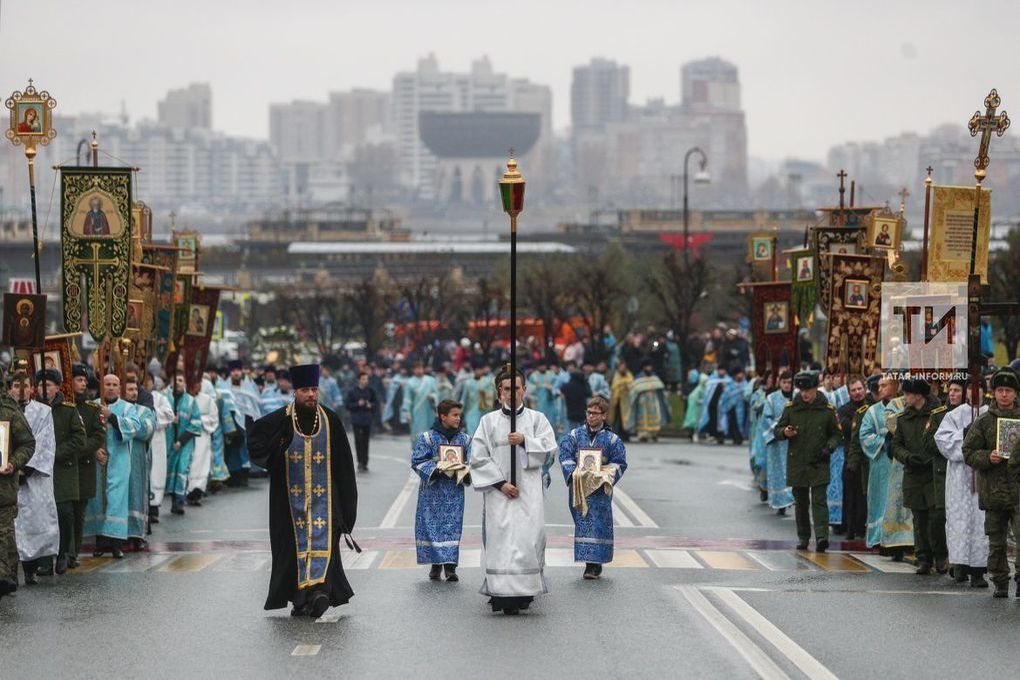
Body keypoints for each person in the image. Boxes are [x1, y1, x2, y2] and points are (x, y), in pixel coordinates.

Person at [247, 364, 358, 619]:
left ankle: (319, 592)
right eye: (305, 390)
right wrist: (279, 444)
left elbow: (344, 467)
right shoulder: (282, 419)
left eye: (314, 390)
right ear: (295, 391)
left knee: (323, 545)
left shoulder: (330, 420)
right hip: (289, 503)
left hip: (325, 503)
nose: (311, 395)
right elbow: (258, 443)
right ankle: (301, 598)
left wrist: (347, 508)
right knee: (292, 550)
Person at [469, 365, 557, 615]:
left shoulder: (537, 419)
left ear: (524, 390)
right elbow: (477, 457)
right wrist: (501, 484)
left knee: (529, 538)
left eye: (516, 388)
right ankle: (500, 594)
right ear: (500, 391)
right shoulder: (488, 422)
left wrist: (525, 441)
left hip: (528, 491)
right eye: (506, 389)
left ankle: (525, 592)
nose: (512, 393)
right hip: (499, 493)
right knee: (501, 541)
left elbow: (550, 450)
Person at [964, 368, 1020, 597]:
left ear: (1015, 393)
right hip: (993, 490)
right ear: (994, 393)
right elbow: (967, 451)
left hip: (1018, 490)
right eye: (1000, 390)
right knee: (996, 541)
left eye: (1008, 390)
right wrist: (988, 457)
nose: (1004, 395)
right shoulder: (984, 421)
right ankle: (1000, 581)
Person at [558, 396, 627, 580]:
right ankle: (590, 561)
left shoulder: (612, 439)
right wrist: (573, 472)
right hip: (579, 488)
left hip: (599, 491)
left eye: (595, 413)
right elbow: (564, 452)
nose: (591, 417)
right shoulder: (575, 435)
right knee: (583, 524)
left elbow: (619, 463)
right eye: (589, 413)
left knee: (598, 525)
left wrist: (605, 475)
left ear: (604, 415)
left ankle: (594, 565)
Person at [773, 371, 842, 552]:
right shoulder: (791, 408)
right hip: (797, 463)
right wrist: (784, 432)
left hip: (819, 461)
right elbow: (778, 430)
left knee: (819, 501)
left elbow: (836, 434)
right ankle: (803, 537)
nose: (805, 394)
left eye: (808, 390)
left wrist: (830, 447)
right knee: (801, 503)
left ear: (815, 389)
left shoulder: (827, 410)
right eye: (802, 390)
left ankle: (821, 538)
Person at [935, 379, 989, 587]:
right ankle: (959, 564)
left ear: (984, 391)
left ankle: (978, 570)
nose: (973, 393)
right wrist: (963, 435)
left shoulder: (989, 414)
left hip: (983, 474)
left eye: (978, 389)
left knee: (980, 520)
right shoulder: (954, 415)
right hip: (960, 475)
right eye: (970, 389)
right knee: (959, 519)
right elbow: (942, 440)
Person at [84, 374, 145, 559]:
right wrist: (94, 450)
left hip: (119, 461)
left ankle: (117, 543)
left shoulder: (128, 408)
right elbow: (83, 431)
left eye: (114, 385)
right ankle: (101, 543)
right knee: (99, 500)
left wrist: (111, 417)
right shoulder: (91, 405)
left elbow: (134, 427)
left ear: (119, 388)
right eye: (107, 384)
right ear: (102, 387)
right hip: (98, 460)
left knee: (117, 501)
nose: (110, 388)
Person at [411, 399, 471, 582]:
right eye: (454, 415)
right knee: (431, 527)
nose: (458, 418)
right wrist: (436, 469)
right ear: (442, 416)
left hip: (454, 492)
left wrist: (464, 470)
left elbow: (473, 462)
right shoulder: (428, 438)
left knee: (452, 527)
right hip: (432, 491)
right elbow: (418, 461)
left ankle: (451, 567)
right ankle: (435, 565)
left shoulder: (465, 439)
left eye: (459, 415)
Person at [891, 378, 946, 574]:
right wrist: (907, 457)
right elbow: (896, 446)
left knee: (936, 517)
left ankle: (941, 556)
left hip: (933, 473)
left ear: (918, 395)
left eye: (906, 394)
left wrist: (934, 459)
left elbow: (945, 440)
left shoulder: (938, 414)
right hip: (913, 473)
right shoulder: (904, 418)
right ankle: (924, 558)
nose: (904, 398)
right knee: (919, 519)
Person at [8, 370, 58, 584]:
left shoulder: (43, 412)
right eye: (17, 386)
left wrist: (24, 468)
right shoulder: (5, 410)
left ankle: (31, 568)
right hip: (6, 475)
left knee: (34, 522)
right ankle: (9, 571)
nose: (22, 390)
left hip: (33, 476)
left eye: (26, 386)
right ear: (10, 388)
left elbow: (45, 442)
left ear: (33, 388)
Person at [35, 369, 86, 574]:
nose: (44, 390)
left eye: (48, 385)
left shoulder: (68, 410)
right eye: (41, 385)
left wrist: (55, 452)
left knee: (64, 513)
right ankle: (45, 558)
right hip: (39, 471)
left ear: (57, 387)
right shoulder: (33, 409)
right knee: (43, 515)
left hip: (62, 469)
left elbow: (79, 438)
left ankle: (63, 552)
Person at [860, 375, 910, 558]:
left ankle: (902, 539)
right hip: (881, 463)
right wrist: (884, 443)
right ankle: (878, 539)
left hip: (902, 464)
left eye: (885, 385)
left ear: (895, 386)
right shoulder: (872, 412)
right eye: (879, 386)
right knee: (880, 500)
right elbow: (864, 436)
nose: (880, 389)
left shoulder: (907, 406)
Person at [0, 366, 35, 601]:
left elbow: (27, 443)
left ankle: (4, 576)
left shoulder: (7, 409)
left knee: (3, 534)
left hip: (2, 488)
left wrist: (13, 463)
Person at [69, 364, 104, 569]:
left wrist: (80, 449)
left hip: (84, 465)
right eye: (79, 380)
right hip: (65, 467)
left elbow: (98, 435)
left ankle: (73, 552)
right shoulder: (65, 407)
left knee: (78, 512)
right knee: (65, 511)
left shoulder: (92, 409)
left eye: (84, 380)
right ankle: (64, 549)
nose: (83, 384)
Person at [121, 376, 156, 547]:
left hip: (137, 460)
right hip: (118, 460)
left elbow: (147, 431)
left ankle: (137, 534)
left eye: (136, 389)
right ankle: (118, 534)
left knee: (137, 493)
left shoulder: (145, 411)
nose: (134, 393)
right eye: (130, 390)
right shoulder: (117, 409)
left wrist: (124, 425)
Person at [837, 376, 870, 540]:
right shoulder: (843, 410)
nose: (857, 393)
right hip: (851, 457)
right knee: (851, 496)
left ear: (864, 388)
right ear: (849, 393)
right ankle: (849, 528)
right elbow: (848, 430)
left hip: (869, 458)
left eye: (859, 389)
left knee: (865, 496)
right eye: (853, 390)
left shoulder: (871, 406)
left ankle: (863, 527)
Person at [164, 373, 202, 515]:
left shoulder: (191, 401)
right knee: (170, 471)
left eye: (181, 380)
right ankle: (169, 499)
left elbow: (196, 423)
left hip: (185, 444)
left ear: (185, 383)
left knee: (182, 470)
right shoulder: (166, 399)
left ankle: (179, 501)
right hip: (168, 442)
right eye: (176, 380)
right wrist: (169, 420)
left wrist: (181, 441)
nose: (178, 383)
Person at [761, 371, 795, 516]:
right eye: (784, 382)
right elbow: (766, 420)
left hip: (793, 441)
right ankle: (780, 503)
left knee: (792, 471)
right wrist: (780, 429)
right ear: (780, 383)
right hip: (777, 442)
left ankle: (792, 498)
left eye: (789, 382)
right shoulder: (772, 398)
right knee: (778, 473)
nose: (787, 385)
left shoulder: (798, 397)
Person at [626, 362, 670, 442]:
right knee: (642, 418)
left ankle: (653, 434)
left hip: (653, 401)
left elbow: (660, 387)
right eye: (647, 367)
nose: (649, 368)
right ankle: (643, 434)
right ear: (644, 368)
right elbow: (634, 389)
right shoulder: (639, 378)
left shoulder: (654, 377)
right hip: (642, 402)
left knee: (654, 417)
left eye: (650, 366)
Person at [346, 372, 377, 472]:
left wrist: (370, 405)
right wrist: (357, 404)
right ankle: (359, 461)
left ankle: (365, 462)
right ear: (359, 380)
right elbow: (348, 405)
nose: (365, 381)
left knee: (365, 441)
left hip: (367, 419)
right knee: (358, 440)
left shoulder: (371, 391)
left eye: (366, 379)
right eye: (363, 379)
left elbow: (375, 403)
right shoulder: (352, 391)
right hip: (356, 419)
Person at [401, 362, 439, 444]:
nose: (419, 370)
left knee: (430, 433)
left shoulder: (430, 380)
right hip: (416, 412)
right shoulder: (410, 383)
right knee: (417, 433)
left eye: (421, 368)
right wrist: (407, 412)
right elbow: (407, 399)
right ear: (413, 370)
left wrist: (432, 396)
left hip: (429, 411)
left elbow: (436, 394)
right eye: (417, 369)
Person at [459, 361, 494, 438]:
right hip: (470, 412)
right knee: (471, 433)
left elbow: (492, 395)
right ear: (474, 370)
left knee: (483, 434)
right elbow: (463, 398)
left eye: (480, 369)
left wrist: (484, 393)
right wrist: (460, 410)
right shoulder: (468, 383)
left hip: (484, 411)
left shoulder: (488, 381)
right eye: (476, 370)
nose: (478, 371)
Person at [525, 362, 560, 436]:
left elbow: (557, 386)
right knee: (540, 422)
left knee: (552, 421)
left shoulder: (551, 374)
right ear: (538, 367)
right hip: (539, 403)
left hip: (551, 403)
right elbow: (529, 391)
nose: (543, 367)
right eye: (541, 366)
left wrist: (551, 389)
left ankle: (554, 437)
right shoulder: (533, 376)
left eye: (544, 365)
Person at [560, 365, 592, 432]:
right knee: (582, 430)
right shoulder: (584, 386)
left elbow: (562, 389)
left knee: (572, 431)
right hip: (582, 412)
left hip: (571, 412)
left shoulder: (568, 386)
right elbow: (589, 393)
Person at [608, 362, 634, 441]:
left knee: (626, 419)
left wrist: (622, 384)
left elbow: (631, 384)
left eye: (624, 366)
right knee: (617, 419)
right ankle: (617, 435)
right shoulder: (615, 376)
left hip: (626, 402)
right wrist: (623, 384)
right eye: (621, 367)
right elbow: (614, 386)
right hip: (617, 401)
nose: (622, 368)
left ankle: (626, 435)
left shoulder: (629, 375)